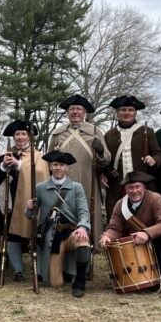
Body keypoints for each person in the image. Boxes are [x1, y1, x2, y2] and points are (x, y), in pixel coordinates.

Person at [0, 120, 48, 282]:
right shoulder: (5, 154)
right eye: (17, 134)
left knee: (35, 233)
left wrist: (19, 165)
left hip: (29, 200)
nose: (20, 137)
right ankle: (18, 271)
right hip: (9, 202)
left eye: (24, 134)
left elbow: (41, 174)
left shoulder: (38, 156)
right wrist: (3, 167)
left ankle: (40, 270)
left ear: (29, 136)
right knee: (12, 234)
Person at [26, 151, 92, 297]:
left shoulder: (76, 187)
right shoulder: (41, 187)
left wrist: (82, 227)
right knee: (55, 283)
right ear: (50, 167)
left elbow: (84, 212)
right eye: (55, 165)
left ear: (67, 168)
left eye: (61, 165)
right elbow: (30, 216)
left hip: (72, 231)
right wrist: (30, 208)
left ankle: (80, 281)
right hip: (52, 235)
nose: (58, 168)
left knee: (83, 240)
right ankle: (63, 273)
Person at [98, 170, 161, 288]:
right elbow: (115, 228)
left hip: (155, 243)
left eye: (137, 187)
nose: (134, 191)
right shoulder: (120, 204)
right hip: (134, 245)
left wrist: (147, 233)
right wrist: (107, 236)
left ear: (144, 187)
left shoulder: (155, 198)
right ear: (125, 189)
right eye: (130, 188)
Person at [48, 94, 111, 238]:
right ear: (68, 112)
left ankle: (87, 244)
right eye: (72, 109)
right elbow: (49, 159)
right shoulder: (58, 133)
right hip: (61, 182)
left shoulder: (95, 132)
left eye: (79, 109)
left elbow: (106, 159)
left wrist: (100, 151)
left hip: (87, 180)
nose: (75, 112)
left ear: (84, 113)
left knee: (86, 210)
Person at [101, 95, 161, 220]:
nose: (126, 113)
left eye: (130, 110)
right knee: (117, 219)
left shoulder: (147, 131)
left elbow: (158, 153)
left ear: (135, 113)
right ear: (117, 113)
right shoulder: (109, 135)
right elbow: (105, 159)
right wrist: (102, 173)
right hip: (117, 185)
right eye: (123, 110)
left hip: (142, 185)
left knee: (144, 218)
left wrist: (154, 159)